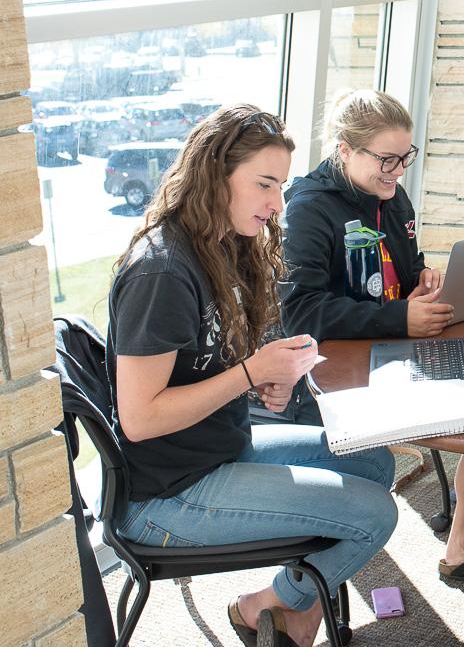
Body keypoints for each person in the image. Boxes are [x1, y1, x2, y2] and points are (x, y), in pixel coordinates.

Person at [107, 105, 398, 647]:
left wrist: (267, 376)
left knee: (375, 460)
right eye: (264, 184)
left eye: (281, 185)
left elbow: (207, 367)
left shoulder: (215, 246)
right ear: (215, 175)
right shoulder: (162, 272)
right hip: (168, 495)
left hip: (219, 447)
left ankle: (284, 607)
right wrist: (248, 373)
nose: (275, 203)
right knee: (375, 515)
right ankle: (271, 607)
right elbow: (141, 419)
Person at [281, 90, 464, 582]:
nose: (397, 171)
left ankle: (463, 539)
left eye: (404, 158)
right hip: (331, 372)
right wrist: (397, 319)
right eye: (385, 159)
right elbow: (299, 311)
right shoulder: (307, 209)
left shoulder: (389, 194)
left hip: (388, 347)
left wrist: (422, 280)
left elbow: (405, 268)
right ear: (345, 150)